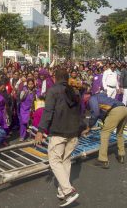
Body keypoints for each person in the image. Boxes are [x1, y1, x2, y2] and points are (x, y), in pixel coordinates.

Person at [35, 69, 81, 207]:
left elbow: (48, 111)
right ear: (67, 79)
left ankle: (68, 192)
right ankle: (62, 191)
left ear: (55, 78)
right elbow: (80, 111)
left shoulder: (53, 91)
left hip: (59, 131)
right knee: (65, 160)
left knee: (54, 160)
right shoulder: (74, 91)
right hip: (73, 131)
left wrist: (40, 130)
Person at [82, 92, 127, 169]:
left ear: (87, 95)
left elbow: (95, 113)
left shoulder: (92, 99)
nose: (83, 98)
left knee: (105, 133)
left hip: (116, 111)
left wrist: (89, 128)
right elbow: (103, 115)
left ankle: (103, 160)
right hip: (126, 110)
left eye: (84, 96)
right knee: (120, 133)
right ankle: (121, 155)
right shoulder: (101, 98)